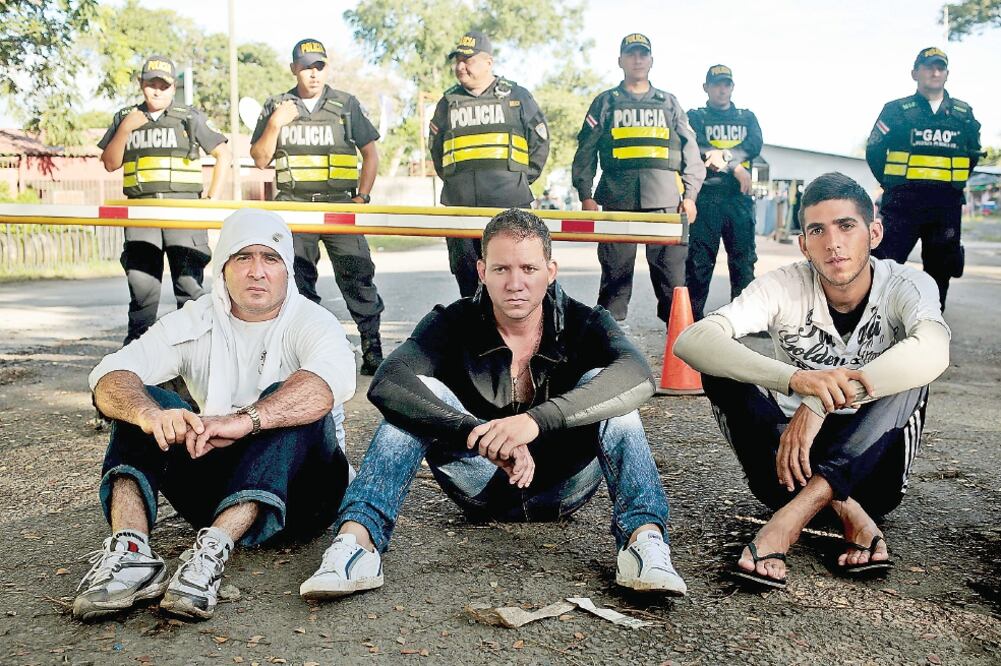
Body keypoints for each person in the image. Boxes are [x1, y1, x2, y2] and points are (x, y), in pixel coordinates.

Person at [299, 208, 687, 599]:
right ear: (482, 271)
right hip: (478, 481)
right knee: (415, 404)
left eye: (529, 269)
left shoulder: (584, 322)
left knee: (611, 397)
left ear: (550, 271)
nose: (515, 283)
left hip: (565, 485)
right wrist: (475, 433)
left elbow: (638, 375)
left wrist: (536, 422)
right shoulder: (453, 322)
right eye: (501, 270)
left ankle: (644, 543)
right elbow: (388, 382)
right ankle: (356, 545)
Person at [73, 209, 356, 621]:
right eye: (243, 257)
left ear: (286, 270)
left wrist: (244, 420)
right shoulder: (197, 319)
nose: (257, 271)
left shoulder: (312, 322)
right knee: (144, 404)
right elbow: (108, 375)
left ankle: (210, 556)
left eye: (270, 258)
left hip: (305, 498)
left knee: (292, 401)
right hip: (218, 488)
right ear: (223, 267)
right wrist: (150, 415)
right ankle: (132, 552)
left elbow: (326, 386)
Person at [674, 172, 950, 589]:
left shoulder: (906, 283)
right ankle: (844, 510)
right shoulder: (784, 285)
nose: (832, 243)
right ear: (803, 244)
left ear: (874, 232)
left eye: (846, 226)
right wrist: (796, 380)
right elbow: (693, 341)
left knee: (912, 369)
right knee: (720, 366)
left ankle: (788, 522)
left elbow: (934, 348)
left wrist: (820, 402)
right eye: (817, 230)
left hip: (873, 475)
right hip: (786, 467)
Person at [250, 38, 386, 374]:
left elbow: (370, 153)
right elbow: (260, 159)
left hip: (340, 205)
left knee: (357, 273)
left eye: (319, 67)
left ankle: (372, 348)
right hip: (294, 207)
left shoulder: (345, 104)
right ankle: (307, 351)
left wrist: (362, 197)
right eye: (307, 66)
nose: (313, 73)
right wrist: (274, 124)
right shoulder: (276, 106)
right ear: (294, 68)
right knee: (297, 281)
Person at [572, 33, 705, 324]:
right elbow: (586, 150)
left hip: (665, 204)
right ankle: (607, 350)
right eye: (631, 54)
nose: (637, 59)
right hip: (617, 202)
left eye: (643, 54)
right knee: (614, 283)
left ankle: (681, 353)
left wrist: (691, 196)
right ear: (620, 61)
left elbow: (690, 152)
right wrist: (586, 194)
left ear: (651, 61)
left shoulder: (669, 103)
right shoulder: (606, 102)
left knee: (673, 284)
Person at [99, 55, 232, 345]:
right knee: (142, 292)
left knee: (189, 290)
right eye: (151, 84)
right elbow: (109, 163)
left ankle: (195, 357)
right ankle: (138, 362)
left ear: (174, 88)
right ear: (141, 85)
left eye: (164, 85)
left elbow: (224, 154)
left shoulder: (188, 117)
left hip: (183, 215)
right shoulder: (125, 118)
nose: (157, 90)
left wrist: (212, 199)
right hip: (141, 217)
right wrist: (125, 130)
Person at [429, 30, 550, 298]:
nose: (461, 66)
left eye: (468, 60)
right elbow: (436, 151)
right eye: (458, 60)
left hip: (509, 202)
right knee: (466, 275)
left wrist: (518, 179)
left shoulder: (517, 96)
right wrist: (455, 181)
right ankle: (478, 335)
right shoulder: (447, 103)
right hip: (459, 205)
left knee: (513, 274)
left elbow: (540, 141)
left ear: (488, 62)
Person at [866, 46, 982, 311]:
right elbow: (874, 150)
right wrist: (891, 184)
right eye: (929, 66)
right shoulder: (896, 110)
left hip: (946, 207)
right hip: (902, 203)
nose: (935, 71)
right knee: (885, 264)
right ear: (915, 73)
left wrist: (953, 183)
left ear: (947, 74)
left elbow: (973, 155)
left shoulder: (963, 114)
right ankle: (875, 320)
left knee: (941, 267)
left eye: (940, 67)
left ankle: (931, 320)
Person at [686, 65, 763, 320]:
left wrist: (729, 163)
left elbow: (753, 145)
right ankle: (691, 318)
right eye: (717, 83)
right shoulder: (695, 117)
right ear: (706, 87)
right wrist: (736, 166)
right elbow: (697, 145)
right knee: (699, 262)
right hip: (707, 197)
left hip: (738, 199)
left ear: (732, 87)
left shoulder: (747, 117)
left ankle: (745, 319)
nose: (722, 89)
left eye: (726, 84)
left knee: (743, 260)